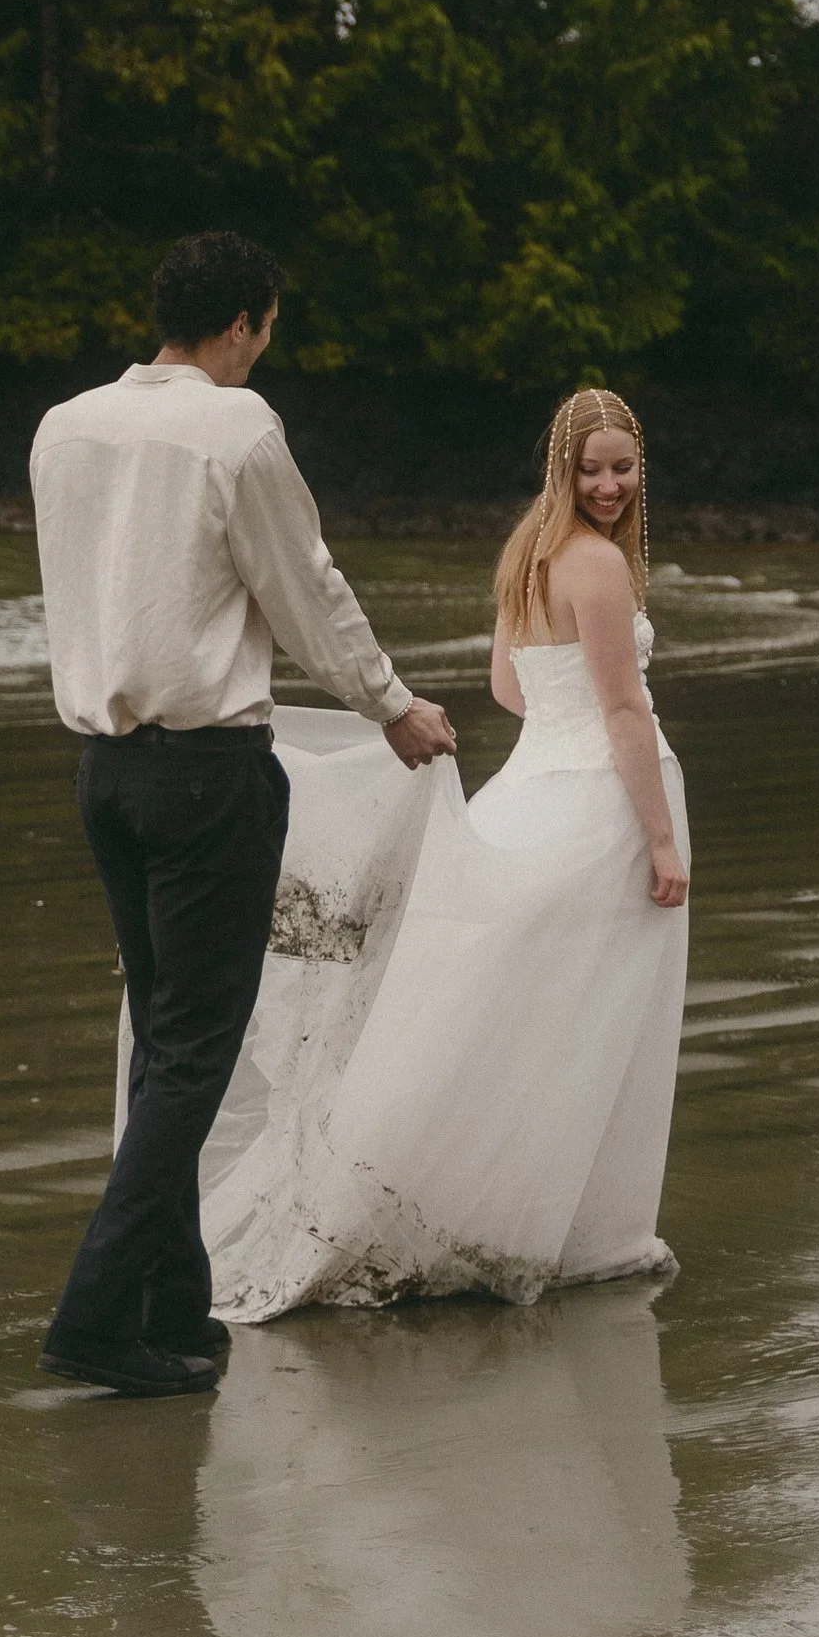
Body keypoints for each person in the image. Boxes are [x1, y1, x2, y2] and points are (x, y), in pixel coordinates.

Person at [32, 229, 455, 1398]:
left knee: (165, 1043)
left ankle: (176, 1310)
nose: (265, 346)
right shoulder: (236, 429)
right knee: (193, 1056)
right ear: (242, 322)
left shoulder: (65, 426)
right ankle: (95, 1313)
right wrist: (391, 706)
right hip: (208, 776)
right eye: (267, 326)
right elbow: (304, 586)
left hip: (104, 771)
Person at [186, 384, 691, 1321]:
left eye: (623, 468)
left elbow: (509, 687)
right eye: (592, 469)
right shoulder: (597, 564)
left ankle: (492, 1202)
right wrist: (660, 837)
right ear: (562, 469)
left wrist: (566, 716)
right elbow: (623, 708)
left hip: (534, 783)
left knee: (541, 1017)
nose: (610, 485)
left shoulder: (528, 551)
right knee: (599, 1023)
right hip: (604, 806)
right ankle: (579, 1228)